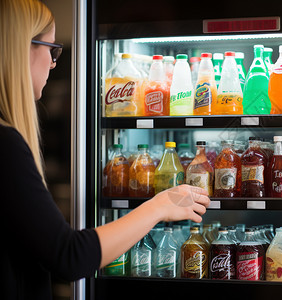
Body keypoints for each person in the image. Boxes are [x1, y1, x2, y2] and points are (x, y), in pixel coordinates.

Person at [0, 0, 210, 299]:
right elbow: (68, 257)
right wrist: (160, 206)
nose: (53, 63)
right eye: (51, 49)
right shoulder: (6, 145)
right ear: (22, 48)